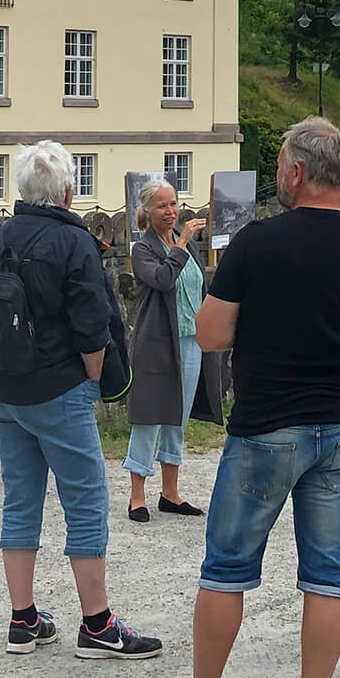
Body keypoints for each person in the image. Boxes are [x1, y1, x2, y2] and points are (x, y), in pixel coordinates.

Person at [164, 117, 340, 678]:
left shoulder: (256, 244)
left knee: (227, 570)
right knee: (327, 575)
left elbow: (209, 334)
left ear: (295, 172)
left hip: (267, 426)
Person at [0, 140, 161, 661]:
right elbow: (94, 327)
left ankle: (22, 619)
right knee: (86, 501)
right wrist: (92, 384)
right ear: (68, 191)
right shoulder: (74, 245)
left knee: (22, 499)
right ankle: (97, 625)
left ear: (21, 190)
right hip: (57, 387)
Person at [125, 178, 219, 523]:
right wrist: (179, 244)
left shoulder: (187, 246)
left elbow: (197, 288)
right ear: (147, 211)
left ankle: (170, 492)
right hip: (157, 344)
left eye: (174, 204)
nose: (170, 212)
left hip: (191, 340)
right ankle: (137, 495)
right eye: (162, 206)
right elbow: (162, 279)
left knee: (177, 417)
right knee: (150, 415)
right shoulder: (143, 249)